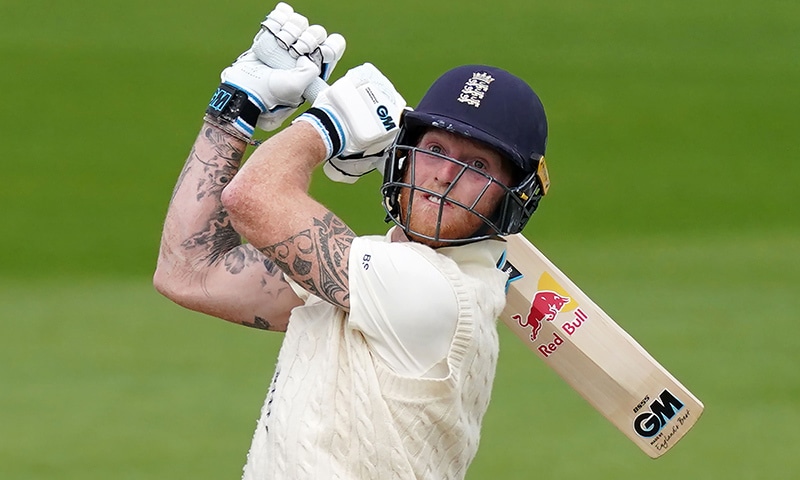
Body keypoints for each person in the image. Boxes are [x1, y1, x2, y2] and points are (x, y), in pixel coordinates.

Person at [153, 3, 549, 479]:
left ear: (512, 196)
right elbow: (189, 270)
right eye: (435, 150)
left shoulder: (439, 297)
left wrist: (327, 127)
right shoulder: (371, 275)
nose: (443, 175)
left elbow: (253, 198)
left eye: (476, 166)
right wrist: (234, 109)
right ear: (403, 158)